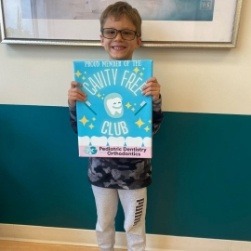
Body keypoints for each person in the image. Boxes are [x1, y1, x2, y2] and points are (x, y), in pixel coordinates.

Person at [68, 2, 163, 250]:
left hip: (136, 173)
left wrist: (155, 100)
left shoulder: (146, 83)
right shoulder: (87, 83)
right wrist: (73, 104)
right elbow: (80, 129)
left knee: (135, 224)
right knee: (103, 222)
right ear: (102, 39)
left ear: (137, 39)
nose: (118, 38)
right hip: (100, 170)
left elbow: (152, 130)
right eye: (111, 31)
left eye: (126, 32)